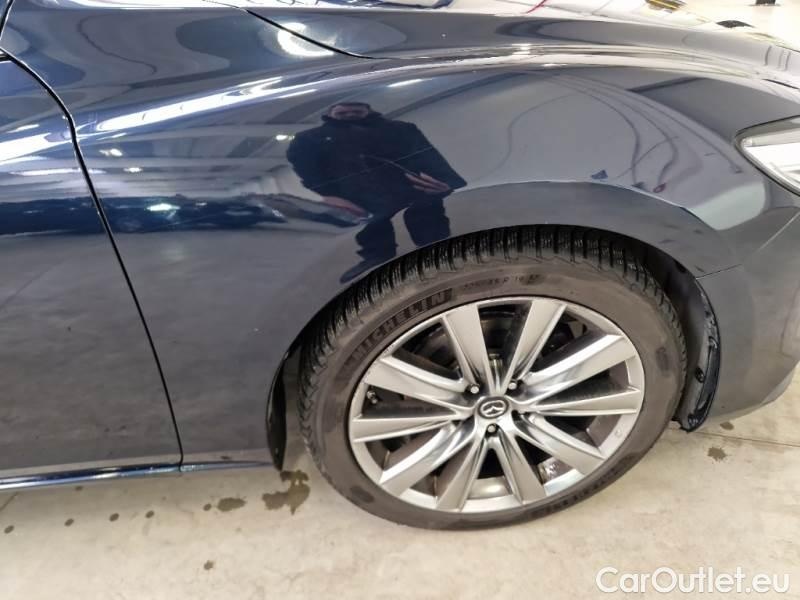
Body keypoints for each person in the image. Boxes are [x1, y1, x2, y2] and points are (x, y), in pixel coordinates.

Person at [287, 102, 466, 281]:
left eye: (356, 110)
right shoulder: (309, 139)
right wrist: (328, 194)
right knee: (372, 227)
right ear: (330, 113)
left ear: (368, 110)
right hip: (355, 191)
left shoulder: (400, 129)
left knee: (427, 217)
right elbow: (307, 168)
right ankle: (377, 255)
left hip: (409, 184)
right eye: (343, 111)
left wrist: (444, 181)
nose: (350, 114)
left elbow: (427, 154)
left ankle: (436, 250)